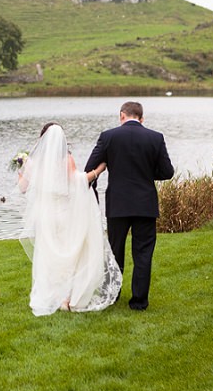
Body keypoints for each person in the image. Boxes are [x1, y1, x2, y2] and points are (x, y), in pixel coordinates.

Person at [17, 122, 122, 316]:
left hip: (46, 216)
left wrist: (20, 170)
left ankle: (52, 296)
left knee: (50, 257)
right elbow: (79, 180)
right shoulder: (66, 158)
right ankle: (66, 299)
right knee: (69, 255)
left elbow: (23, 188)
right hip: (64, 215)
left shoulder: (34, 162)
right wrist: (99, 170)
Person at [84, 102, 175, 311]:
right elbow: (167, 172)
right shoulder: (156, 137)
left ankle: (112, 296)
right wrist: (146, 173)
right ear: (141, 118)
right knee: (143, 253)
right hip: (145, 203)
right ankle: (139, 302)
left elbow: (90, 168)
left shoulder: (108, 136)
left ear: (121, 116)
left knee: (115, 250)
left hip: (118, 203)